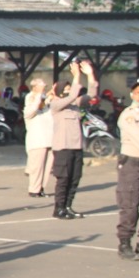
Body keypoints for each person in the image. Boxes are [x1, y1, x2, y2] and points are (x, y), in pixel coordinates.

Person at [49, 60, 98, 219]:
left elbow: (91, 94)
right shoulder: (56, 104)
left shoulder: (75, 105)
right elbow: (71, 97)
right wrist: (76, 76)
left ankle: (68, 206)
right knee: (63, 179)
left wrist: (90, 74)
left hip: (77, 147)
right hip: (62, 147)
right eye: (67, 89)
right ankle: (59, 208)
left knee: (75, 178)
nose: (71, 92)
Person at [114, 77, 139, 259]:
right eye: (138, 92)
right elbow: (138, 137)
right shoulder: (129, 114)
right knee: (130, 204)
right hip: (132, 161)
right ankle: (125, 242)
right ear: (132, 94)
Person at [22, 78, 55, 198]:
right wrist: (40, 94)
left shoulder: (45, 102)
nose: (44, 87)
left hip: (49, 139)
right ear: (34, 87)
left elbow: (47, 104)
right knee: (37, 166)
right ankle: (34, 189)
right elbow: (33, 108)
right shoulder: (30, 99)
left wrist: (50, 94)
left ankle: (41, 188)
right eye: (41, 86)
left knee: (47, 167)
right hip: (37, 140)